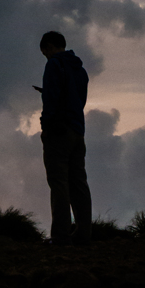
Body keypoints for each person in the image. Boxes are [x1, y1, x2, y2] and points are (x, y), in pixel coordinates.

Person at [34, 30, 92, 245]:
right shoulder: (80, 69)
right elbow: (79, 100)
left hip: (58, 132)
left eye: (44, 52)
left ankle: (60, 235)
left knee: (58, 182)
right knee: (78, 182)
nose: (46, 56)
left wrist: (45, 126)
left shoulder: (53, 65)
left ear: (48, 46)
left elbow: (51, 100)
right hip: (78, 130)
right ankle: (83, 232)